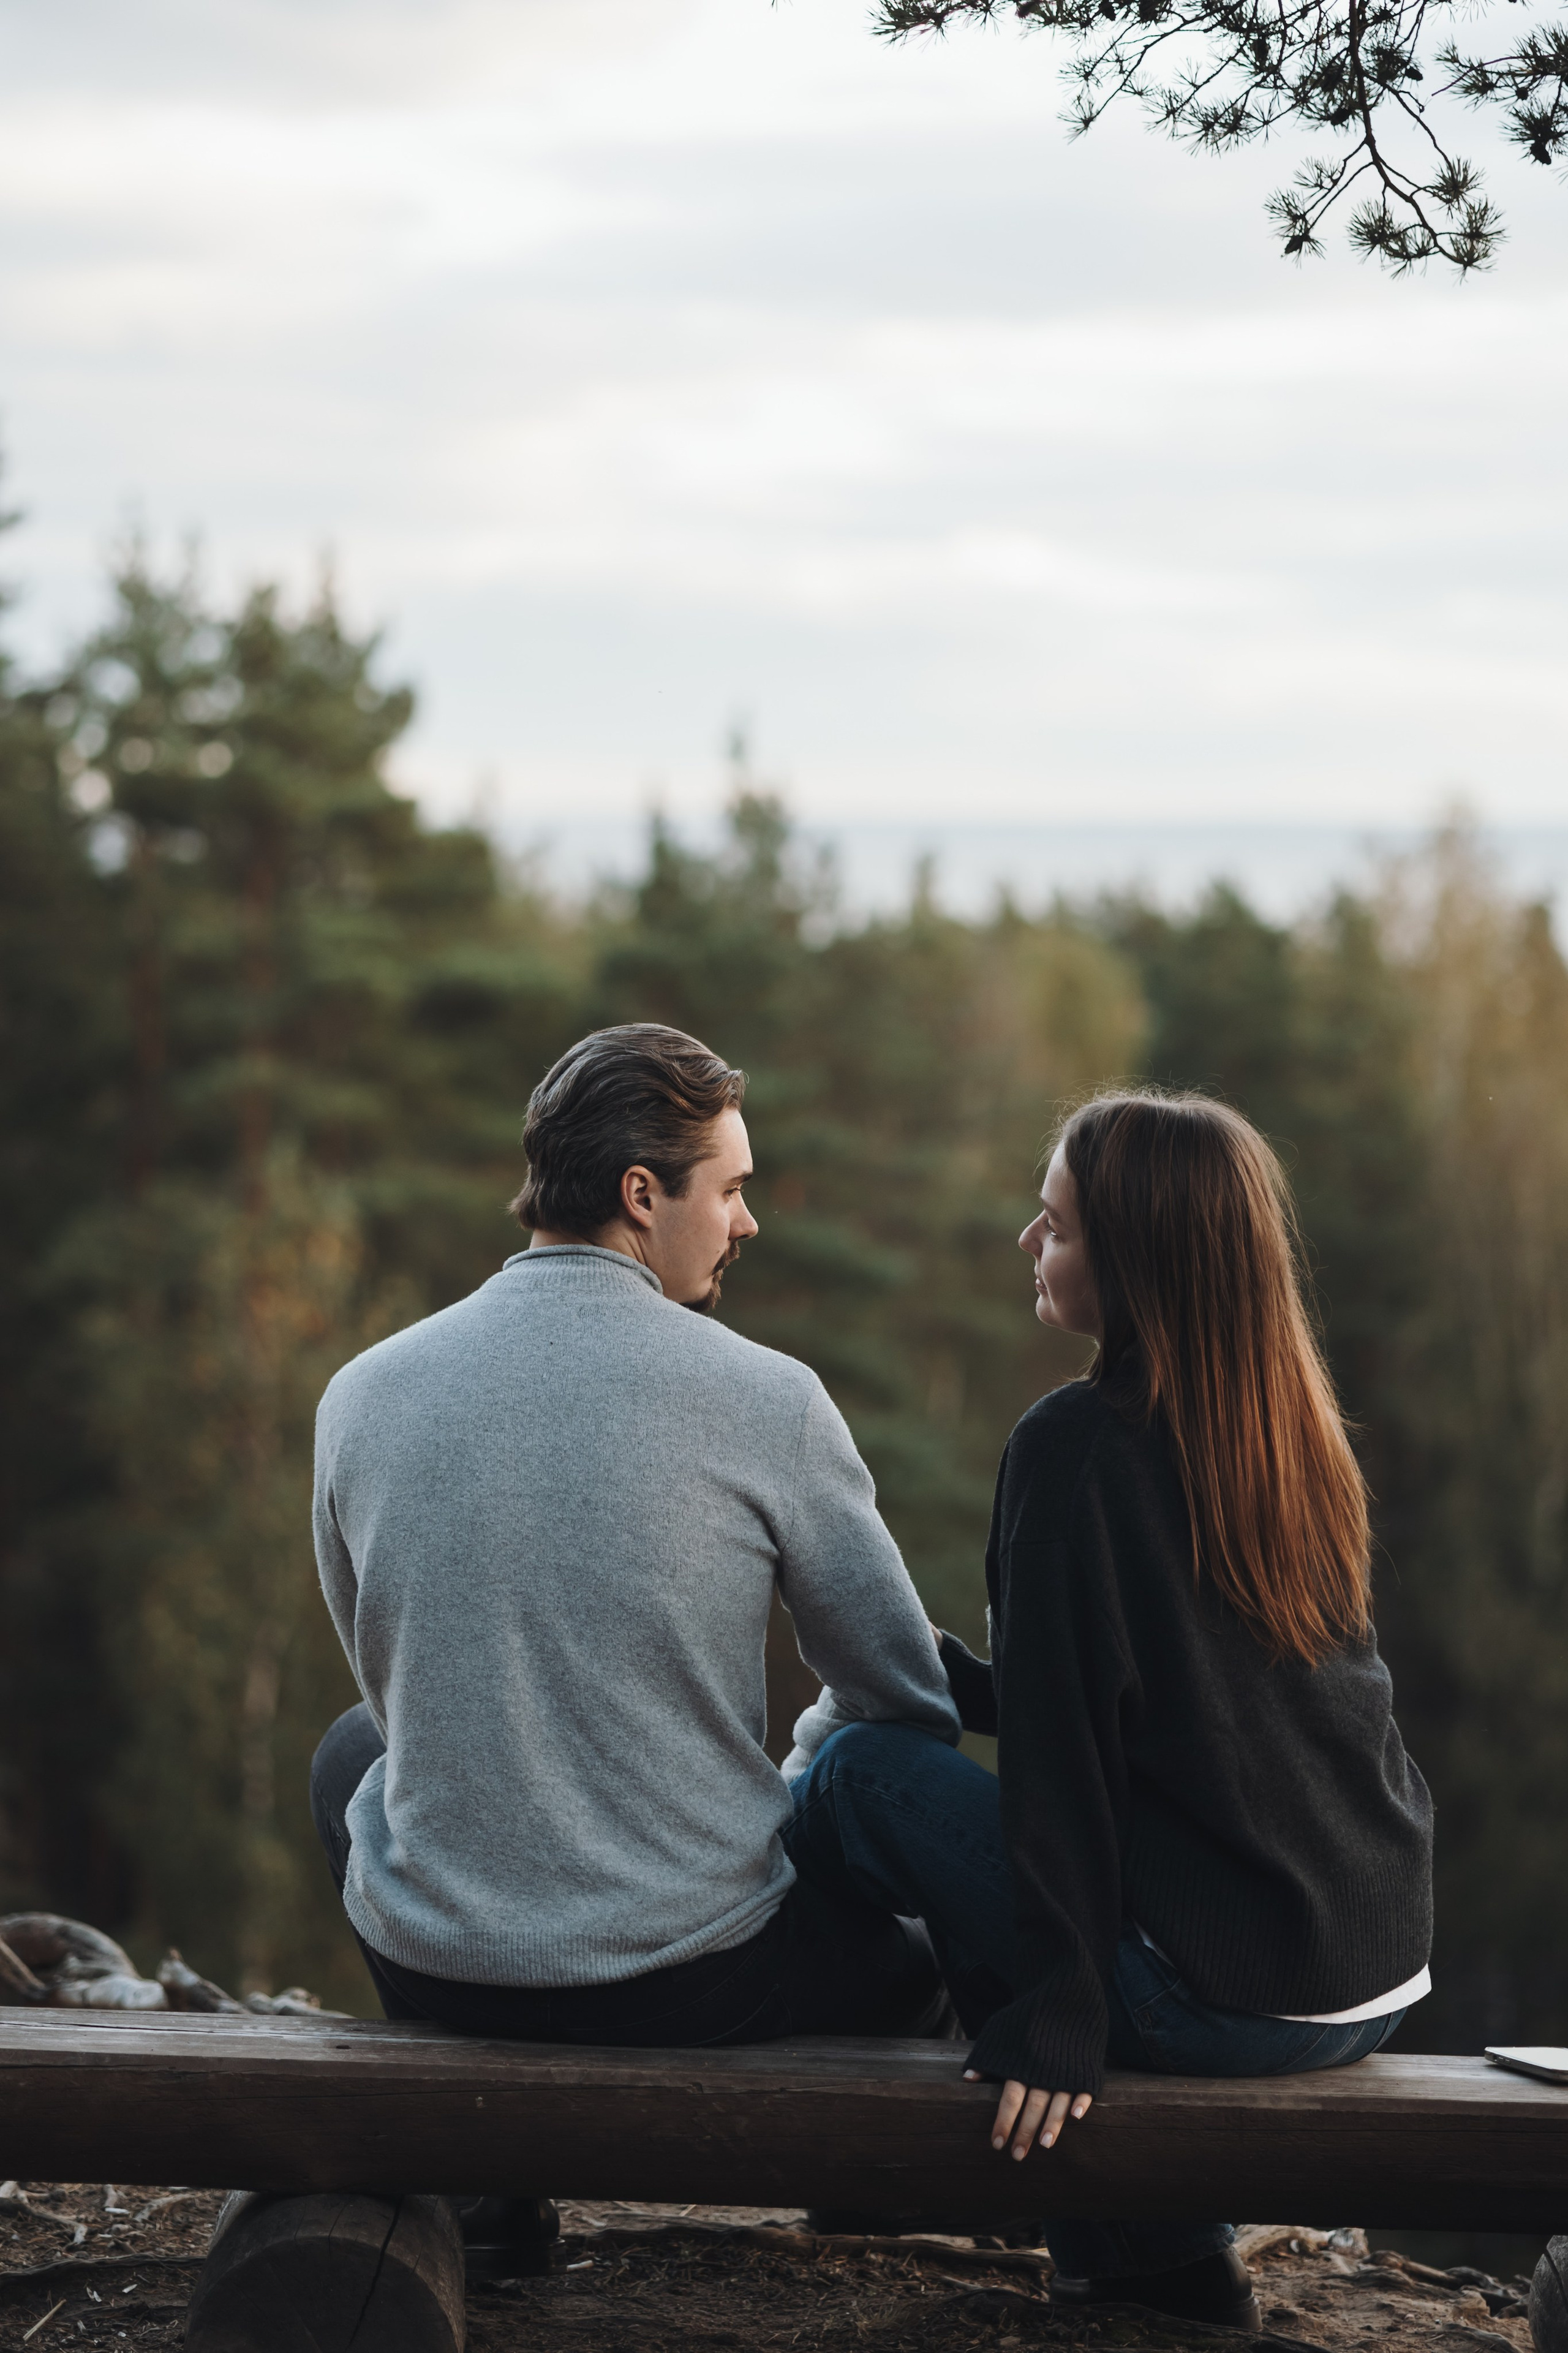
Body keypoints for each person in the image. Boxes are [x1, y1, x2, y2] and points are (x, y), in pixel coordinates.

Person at [785, 1090, 1434, 2329]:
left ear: (1135, 1258)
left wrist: (1060, 2010)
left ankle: (860, 2119)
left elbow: (1066, 1771)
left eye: (1058, 1224)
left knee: (857, 1774)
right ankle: (1150, 2257)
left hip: (1221, 1999)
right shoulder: (1287, 1431)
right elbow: (1179, 1707)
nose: (1028, 1241)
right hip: (1369, 1970)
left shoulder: (1073, 1445)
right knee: (939, 1799)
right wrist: (959, 1676)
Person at [309, 1021, 960, 2068]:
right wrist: (783, 1780)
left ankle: (480, 2145)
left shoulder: (359, 1392)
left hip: (442, 1971)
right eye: (731, 1189)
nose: (747, 1221)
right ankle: (871, 2163)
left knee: (351, 1752)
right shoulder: (772, 1397)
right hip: (694, 1983)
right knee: (923, 1961)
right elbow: (904, 1700)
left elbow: (394, 1693)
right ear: (642, 1194)